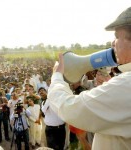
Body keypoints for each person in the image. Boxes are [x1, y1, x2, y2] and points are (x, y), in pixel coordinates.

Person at [48, 7, 131, 150]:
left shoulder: (126, 85)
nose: (113, 43)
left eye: (117, 36)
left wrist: (57, 77)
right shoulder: (123, 85)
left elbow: (70, 109)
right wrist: (110, 88)